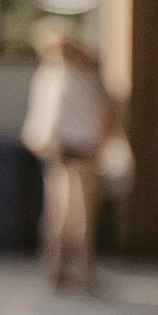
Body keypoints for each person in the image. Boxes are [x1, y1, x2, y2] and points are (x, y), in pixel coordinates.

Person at [22, 22, 115, 290]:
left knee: (60, 214)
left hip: (62, 151)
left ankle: (58, 269)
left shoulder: (50, 76)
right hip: (79, 151)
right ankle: (79, 271)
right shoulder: (75, 78)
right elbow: (103, 114)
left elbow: (40, 122)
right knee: (78, 215)